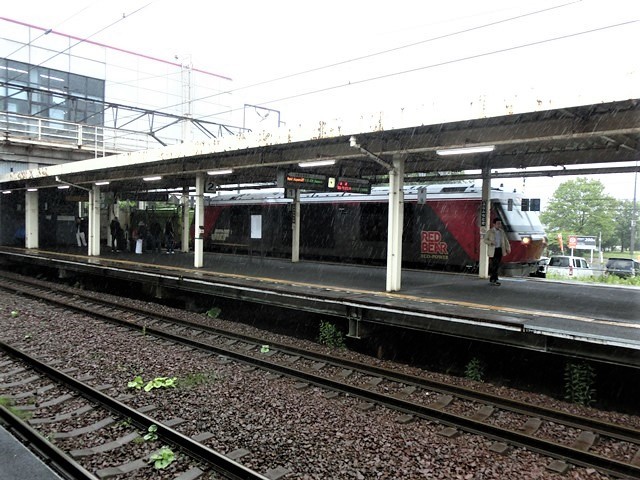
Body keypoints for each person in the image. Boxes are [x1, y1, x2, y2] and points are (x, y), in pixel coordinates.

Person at [484, 218, 511, 286]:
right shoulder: (490, 232)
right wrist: (491, 242)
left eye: (500, 223)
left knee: (497, 265)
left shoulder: (501, 232)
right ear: (494, 224)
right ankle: (494, 279)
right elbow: (485, 240)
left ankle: (493, 279)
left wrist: (508, 248)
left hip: (499, 250)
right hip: (493, 250)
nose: (500, 225)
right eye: (498, 223)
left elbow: (505, 240)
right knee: (494, 265)